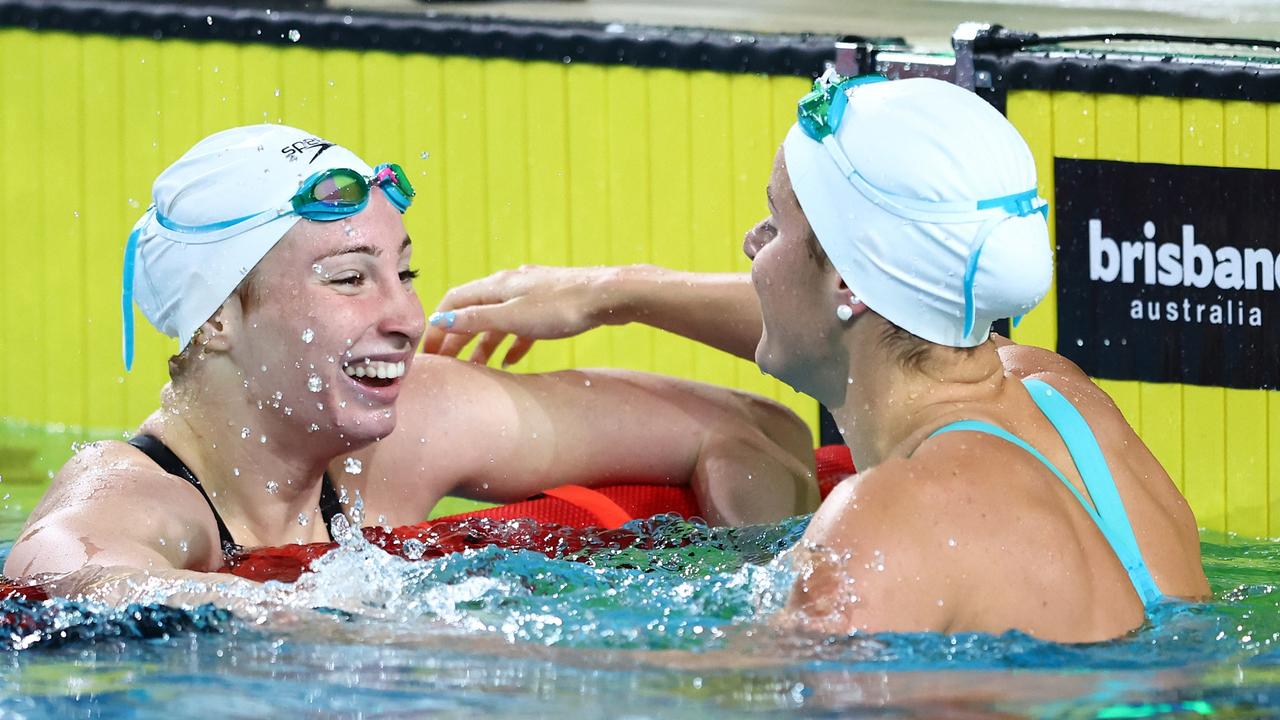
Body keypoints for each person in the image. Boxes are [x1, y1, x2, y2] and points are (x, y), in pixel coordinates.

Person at [421, 74, 1209, 642]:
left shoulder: (883, 521)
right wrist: (611, 293)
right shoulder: (1059, 395)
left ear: (845, 282)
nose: (751, 251)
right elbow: (883, 320)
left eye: (774, 224)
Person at [4, 125, 819, 601]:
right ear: (216, 317)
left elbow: (760, 430)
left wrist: (750, 594)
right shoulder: (144, 498)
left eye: (406, 272)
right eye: (350, 279)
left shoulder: (403, 433)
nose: (404, 317)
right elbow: (58, 566)